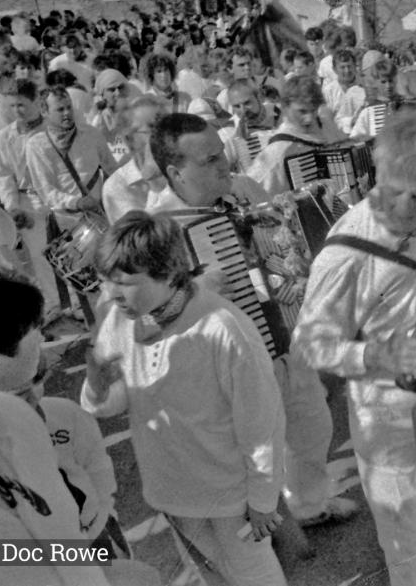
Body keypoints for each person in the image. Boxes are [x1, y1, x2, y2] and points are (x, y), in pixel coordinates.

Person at [146, 112, 357, 528]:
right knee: (255, 450)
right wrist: (193, 292)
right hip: (226, 365)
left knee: (312, 425)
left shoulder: (242, 189)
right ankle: (259, 529)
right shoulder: (156, 231)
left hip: (283, 333)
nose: (225, 164)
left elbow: (281, 239)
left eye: (222, 153)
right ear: (176, 172)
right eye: (209, 161)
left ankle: (309, 505)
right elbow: (140, 322)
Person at [292, 111, 416, 586]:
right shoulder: (345, 253)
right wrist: (380, 357)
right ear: (376, 174)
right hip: (382, 406)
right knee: (404, 529)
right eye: (401, 192)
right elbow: (310, 346)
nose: (412, 208)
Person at [81, 212, 288, 586]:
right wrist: (96, 383)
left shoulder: (223, 328)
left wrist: (262, 500)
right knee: (212, 577)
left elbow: (262, 425)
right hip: (171, 490)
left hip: (230, 496)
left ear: (166, 272)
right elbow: (113, 404)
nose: (110, 294)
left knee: (255, 574)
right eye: (105, 282)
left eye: (124, 283)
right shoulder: (121, 318)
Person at [0, 267, 119, 545]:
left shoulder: (62, 415)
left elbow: (98, 474)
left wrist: (101, 520)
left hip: (97, 537)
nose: (43, 339)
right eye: (35, 332)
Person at [0, 79, 59, 305]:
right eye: (11, 106)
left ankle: (81, 303)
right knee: (40, 256)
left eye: (21, 104)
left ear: (36, 101)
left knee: (67, 252)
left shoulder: (54, 129)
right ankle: (55, 303)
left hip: (56, 198)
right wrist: (12, 207)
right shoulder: (4, 137)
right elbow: (3, 176)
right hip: (26, 202)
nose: (17, 111)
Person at [24, 85, 116, 232]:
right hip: (70, 225)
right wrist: (77, 202)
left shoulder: (91, 134)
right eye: (60, 110)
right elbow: (46, 190)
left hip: (103, 216)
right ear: (44, 112)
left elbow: (112, 169)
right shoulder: (36, 145)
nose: (67, 113)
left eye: (69, 107)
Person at [247, 76, 345, 197]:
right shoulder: (278, 149)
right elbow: (251, 191)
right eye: (302, 111)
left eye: (313, 110)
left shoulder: (326, 124)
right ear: (285, 107)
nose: (309, 118)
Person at [100, 95, 166, 224]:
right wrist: (156, 185)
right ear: (130, 139)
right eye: (153, 128)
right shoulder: (117, 187)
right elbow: (142, 238)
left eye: (166, 126)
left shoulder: (183, 166)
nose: (164, 134)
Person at [219, 80, 281, 174]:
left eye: (247, 103)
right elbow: (221, 170)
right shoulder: (228, 132)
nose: (243, 110)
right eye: (237, 106)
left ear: (259, 98)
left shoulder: (279, 114)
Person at [87, 69, 132, 164]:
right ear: (102, 94)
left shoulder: (136, 113)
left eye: (120, 88)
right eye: (112, 90)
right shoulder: (97, 119)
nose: (118, 93)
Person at [349, 52, 398, 139]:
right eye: (383, 82)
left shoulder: (406, 104)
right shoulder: (369, 110)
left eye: (391, 81)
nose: (388, 86)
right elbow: (356, 136)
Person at [321, 47, 365, 135]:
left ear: (355, 66)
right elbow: (325, 120)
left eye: (349, 66)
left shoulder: (365, 86)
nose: (347, 71)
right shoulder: (328, 91)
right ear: (335, 69)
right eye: (342, 67)